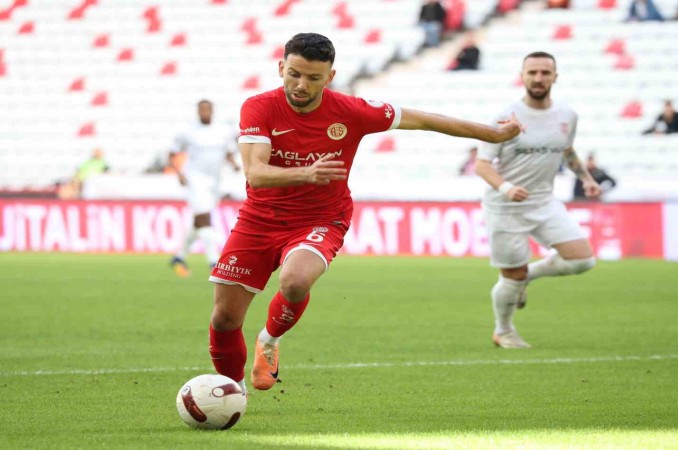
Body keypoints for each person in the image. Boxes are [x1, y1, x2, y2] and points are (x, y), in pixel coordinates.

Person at [206, 33, 523, 394]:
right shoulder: (259, 107)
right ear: (281, 68)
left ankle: (269, 338)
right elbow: (256, 174)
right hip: (259, 219)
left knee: (295, 281)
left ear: (330, 76)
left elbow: (423, 119)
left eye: (313, 77)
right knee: (225, 317)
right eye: (294, 74)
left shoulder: (351, 110)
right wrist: (307, 173)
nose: (301, 85)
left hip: (320, 219)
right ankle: (233, 392)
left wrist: (492, 135)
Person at [475, 51, 600, 349]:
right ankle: (504, 331)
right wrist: (506, 188)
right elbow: (482, 164)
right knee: (511, 275)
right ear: (522, 77)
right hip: (505, 207)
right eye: (532, 72)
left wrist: (586, 178)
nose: (538, 78)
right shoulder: (506, 117)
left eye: (545, 72)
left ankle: (528, 276)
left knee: (582, 259)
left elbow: (566, 150)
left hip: (544, 201)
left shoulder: (567, 115)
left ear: (555, 77)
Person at [169, 100, 240, 277]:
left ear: (212, 111)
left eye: (208, 109)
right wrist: (179, 173)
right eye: (202, 109)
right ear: (198, 111)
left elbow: (228, 152)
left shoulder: (222, 130)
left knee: (199, 221)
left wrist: (234, 165)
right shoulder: (188, 131)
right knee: (204, 218)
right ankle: (214, 261)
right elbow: (172, 153)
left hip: (215, 181)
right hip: (195, 179)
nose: (205, 112)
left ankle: (179, 257)